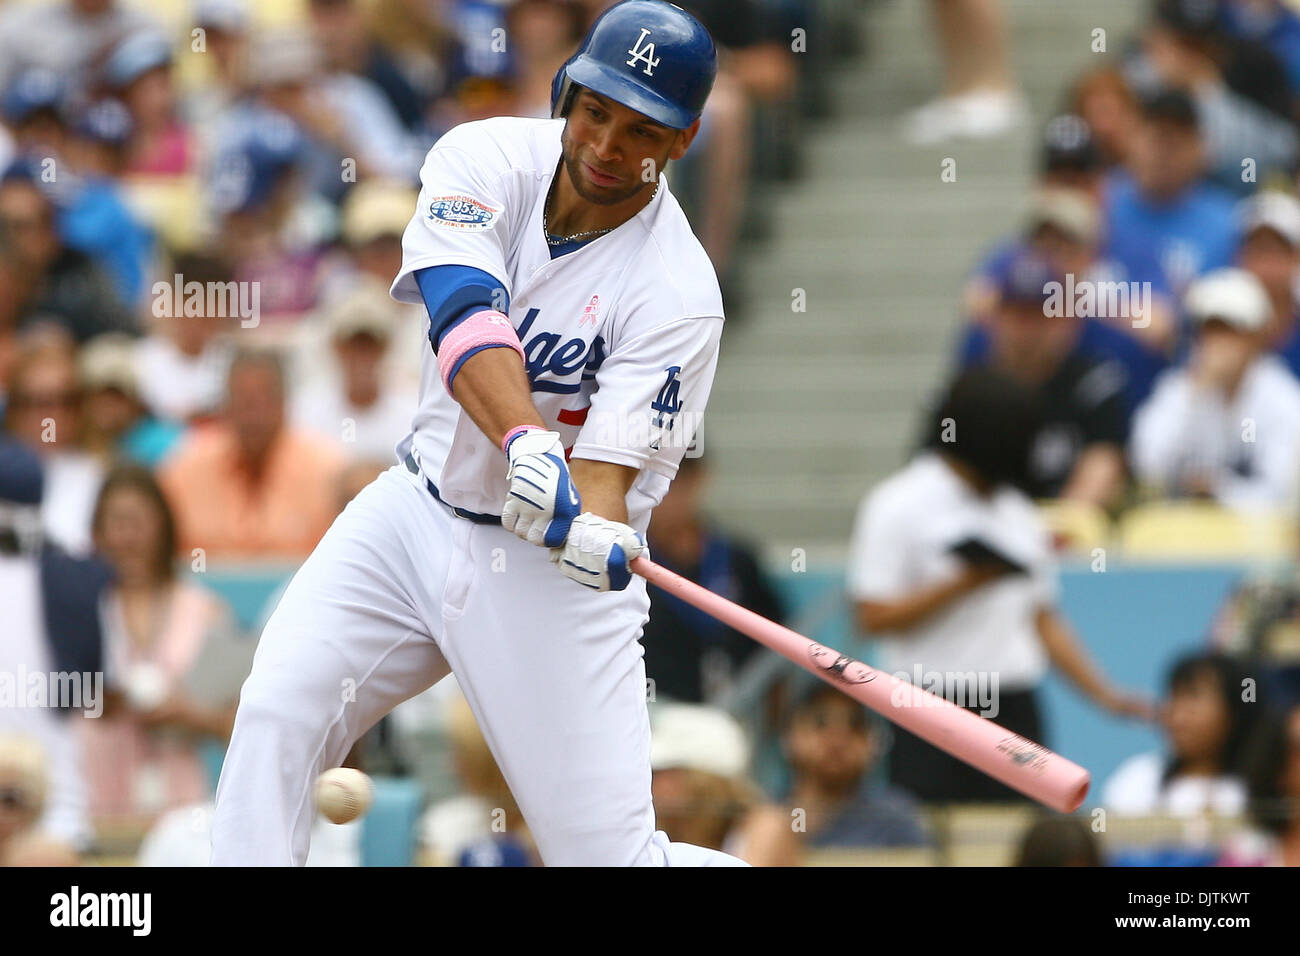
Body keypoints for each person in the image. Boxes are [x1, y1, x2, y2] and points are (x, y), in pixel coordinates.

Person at [210, 0, 741, 866]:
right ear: (568, 91)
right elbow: (461, 310)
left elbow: (605, 480)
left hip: (541, 580)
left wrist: (590, 530)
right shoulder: (483, 153)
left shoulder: (681, 293)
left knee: (607, 860)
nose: (606, 146)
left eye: (641, 131)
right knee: (278, 707)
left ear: (680, 143)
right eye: (596, 111)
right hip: (412, 514)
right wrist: (529, 441)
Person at [847, 367, 1151, 804]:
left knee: (1017, 836)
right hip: (925, 707)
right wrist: (967, 582)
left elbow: (1042, 617)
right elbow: (872, 616)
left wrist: (1105, 696)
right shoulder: (896, 505)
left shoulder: (1018, 512)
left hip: (1012, 707)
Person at [79, 465, 246, 822]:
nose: (128, 536)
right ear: (98, 532)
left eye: (139, 521)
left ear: (164, 527)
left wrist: (191, 715)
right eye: (117, 522)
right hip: (94, 798)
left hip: (181, 807)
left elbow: (243, 725)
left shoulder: (205, 610)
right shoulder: (80, 610)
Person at [1130, 267, 1300, 511]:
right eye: (1212, 329)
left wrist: (1219, 490)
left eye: (1232, 330)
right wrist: (1194, 394)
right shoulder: (1180, 389)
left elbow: (1284, 494)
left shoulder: (1283, 398)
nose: (1220, 342)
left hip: (1256, 540)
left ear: (1256, 336)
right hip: (1182, 536)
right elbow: (1147, 466)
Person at [976, 250, 1131, 510]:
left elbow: (1103, 467)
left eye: (1041, 315)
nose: (1027, 331)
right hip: (985, 536)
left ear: (1068, 320)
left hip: (1068, 539)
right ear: (995, 320)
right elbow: (939, 476)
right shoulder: (970, 394)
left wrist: (1048, 534)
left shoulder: (1094, 385)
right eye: (1017, 314)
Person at [158, 349, 346, 561]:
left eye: (265, 396)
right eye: (242, 398)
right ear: (225, 404)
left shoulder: (329, 470)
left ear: (284, 402)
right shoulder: (186, 467)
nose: (254, 410)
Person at [641, 453, 783, 704]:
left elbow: (773, 638)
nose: (665, 494)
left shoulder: (738, 561)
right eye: (652, 480)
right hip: (651, 713)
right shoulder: (626, 564)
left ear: (700, 478)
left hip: (731, 712)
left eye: (676, 480)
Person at [1102, 652, 1260, 818]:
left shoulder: (1255, 789)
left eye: (1193, 697)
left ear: (1233, 713)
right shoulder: (1138, 778)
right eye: (1174, 697)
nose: (1178, 713)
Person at [780, 683, 929, 850]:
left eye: (855, 725)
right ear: (790, 735)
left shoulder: (894, 818)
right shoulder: (765, 816)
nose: (838, 739)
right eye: (820, 722)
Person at [648, 703, 797, 865]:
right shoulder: (663, 834)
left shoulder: (766, 826)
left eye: (661, 773)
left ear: (702, 779)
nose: (652, 784)